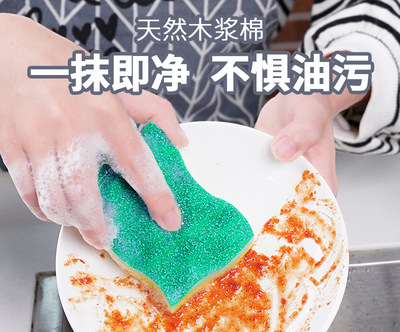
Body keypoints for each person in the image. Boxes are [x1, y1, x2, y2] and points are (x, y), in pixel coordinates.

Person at [0, 0, 399, 249]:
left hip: (240, 174)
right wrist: (9, 47)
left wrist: (327, 84)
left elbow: (368, 9)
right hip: (21, 219)